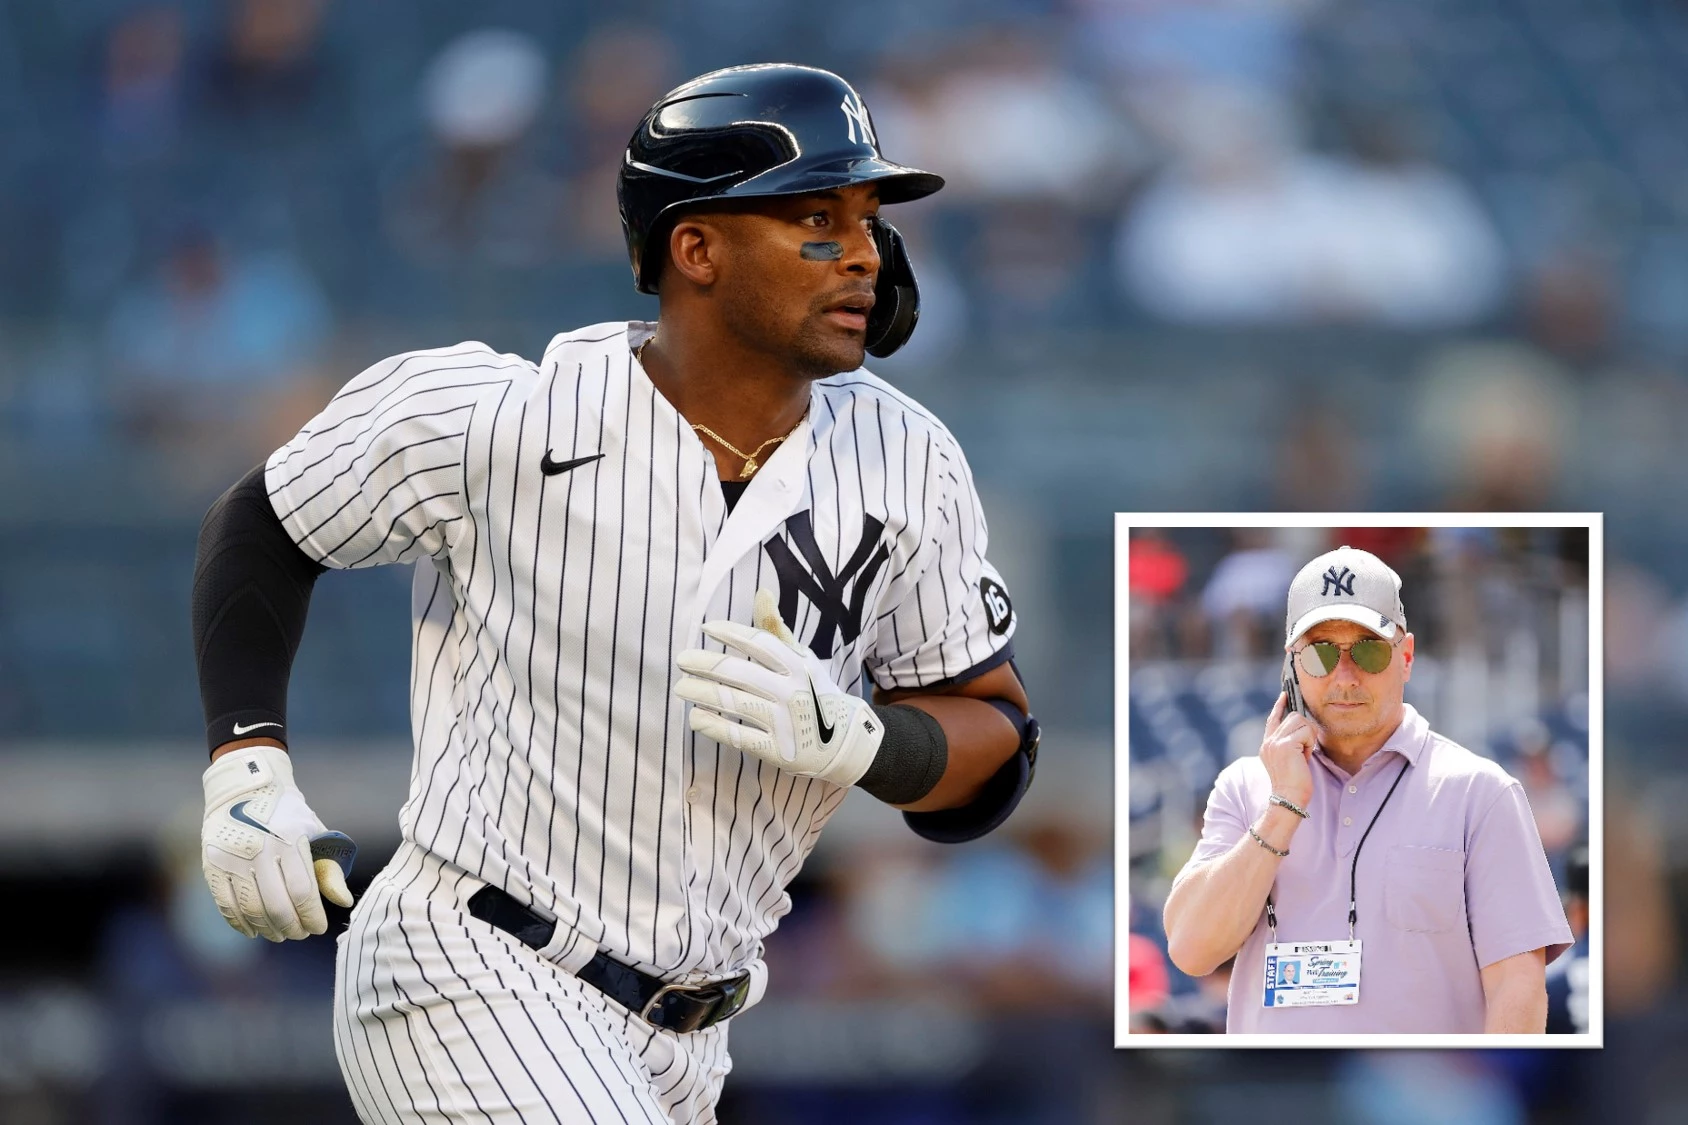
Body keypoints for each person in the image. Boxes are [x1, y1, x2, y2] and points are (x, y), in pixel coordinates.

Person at [188, 64, 1039, 1123]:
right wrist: (246, 767)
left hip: (691, 1036)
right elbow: (265, 523)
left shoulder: (907, 458)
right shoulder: (507, 417)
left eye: (867, 219)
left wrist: (871, 743)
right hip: (473, 964)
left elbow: (996, 735)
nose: (865, 253)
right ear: (697, 249)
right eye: (818, 220)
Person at [1162, 545, 1571, 1033]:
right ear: (1290, 666)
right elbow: (1191, 950)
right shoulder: (1244, 787)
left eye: (1369, 650)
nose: (1345, 676)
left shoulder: (1481, 792)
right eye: (1320, 654)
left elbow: (1517, 989)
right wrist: (1283, 806)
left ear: (1407, 657)